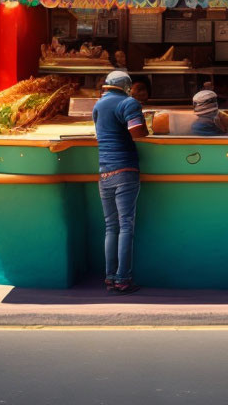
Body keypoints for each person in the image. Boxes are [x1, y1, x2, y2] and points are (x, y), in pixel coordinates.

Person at [91, 70, 148, 294]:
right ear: (127, 86)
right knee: (126, 227)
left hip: (104, 171)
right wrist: (146, 124)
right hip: (125, 170)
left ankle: (109, 277)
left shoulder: (98, 105)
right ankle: (123, 279)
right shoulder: (129, 103)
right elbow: (138, 133)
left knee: (111, 227)